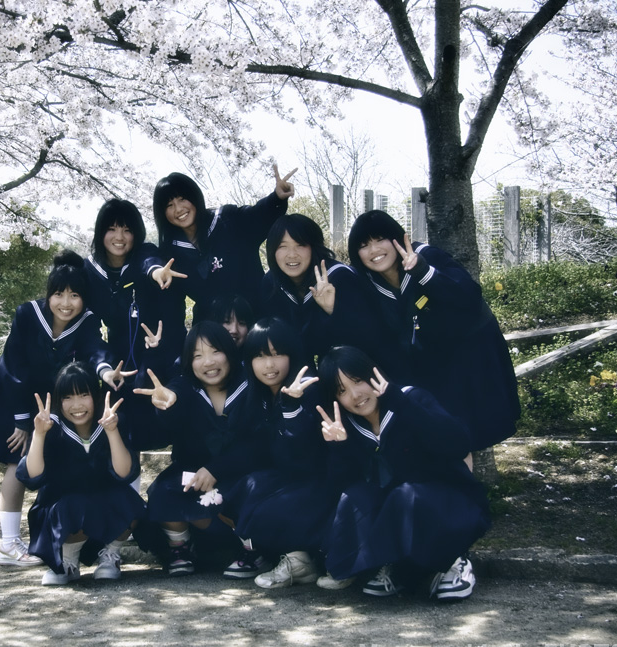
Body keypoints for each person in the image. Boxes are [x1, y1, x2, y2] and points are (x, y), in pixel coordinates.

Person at [0, 250, 111, 568]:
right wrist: (22, 421)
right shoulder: (27, 314)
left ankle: (48, 539)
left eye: (74, 295)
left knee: (42, 461)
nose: (66, 303)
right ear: (49, 293)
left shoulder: (86, 321)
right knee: (17, 460)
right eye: (59, 294)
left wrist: (105, 370)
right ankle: (9, 544)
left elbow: (95, 351)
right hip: (6, 391)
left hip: (44, 398)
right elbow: (14, 366)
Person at [314, 346, 491, 600]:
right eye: (342, 391)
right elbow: (343, 485)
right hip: (397, 509)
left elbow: (458, 443)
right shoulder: (347, 426)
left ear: (372, 373)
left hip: (446, 501)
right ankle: (398, 567)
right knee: (354, 498)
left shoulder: (410, 398)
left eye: (358, 380)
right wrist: (339, 448)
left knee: (408, 495)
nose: (355, 395)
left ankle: (455, 560)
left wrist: (401, 405)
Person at [347, 210, 520, 453]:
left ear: (397, 238)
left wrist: (423, 272)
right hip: (424, 361)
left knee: (468, 429)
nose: (374, 250)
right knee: (438, 429)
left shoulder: (427, 256)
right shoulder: (366, 283)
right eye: (364, 245)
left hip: (470, 354)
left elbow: (469, 296)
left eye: (380, 239)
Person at [134, 321, 267, 578]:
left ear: (229, 352)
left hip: (240, 472)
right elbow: (173, 400)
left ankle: (253, 550)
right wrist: (168, 404)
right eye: (197, 355)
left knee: (245, 493)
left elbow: (258, 444)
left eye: (216, 351)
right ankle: (181, 548)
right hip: (195, 474)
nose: (208, 362)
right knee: (163, 492)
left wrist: (216, 469)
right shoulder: (187, 386)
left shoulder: (250, 386)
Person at [221, 318, 334, 589]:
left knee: (261, 504)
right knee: (232, 493)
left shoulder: (308, 389)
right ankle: (292, 557)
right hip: (286, 478)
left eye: (277, 354)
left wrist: (292, 408)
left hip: (320, 484)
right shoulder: (259, 394)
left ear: (292, 355)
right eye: (260, 356)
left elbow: (305, 455)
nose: (269, 365)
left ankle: (301, 561)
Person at [17, 362, 145, 585]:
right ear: (59, 400)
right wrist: (39, 434)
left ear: (95, 395)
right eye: (67, 397)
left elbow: (124, 472)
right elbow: (32, 475)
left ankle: (110, 556)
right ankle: (67, 561)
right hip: (62, 513)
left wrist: (112, 431)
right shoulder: (52, 427)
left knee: (131, 502)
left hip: (103, 508)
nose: (76, 405)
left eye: (84, 395)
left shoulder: (110, 421)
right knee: (75, 505)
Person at [151, 165, 296, 324]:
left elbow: (258, 216)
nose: (178, 209)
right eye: (169, 205)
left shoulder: (228, 220)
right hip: (213, 329)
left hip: (257, 319)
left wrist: (277, 198)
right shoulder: (170, 252)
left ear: (194, 197)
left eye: (182, 199)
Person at [84, 198, 187, 390]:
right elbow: (88, 330)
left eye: (127, 230)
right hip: (116, 359)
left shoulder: (143, 253)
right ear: (100, 232)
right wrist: (103, 366)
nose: (120, 237)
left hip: (155, 351)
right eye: (112, 229)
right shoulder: (89, 272)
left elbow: (149, 262)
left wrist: (156, 272)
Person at [260, 214, 369, 363]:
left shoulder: (340, 277)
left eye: (300, 245)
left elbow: (363, 336)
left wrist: (333, 310)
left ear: (314, 247)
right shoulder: (271, 282)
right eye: (282, 246)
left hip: (346, 363)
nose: (292, 254)